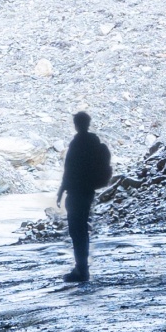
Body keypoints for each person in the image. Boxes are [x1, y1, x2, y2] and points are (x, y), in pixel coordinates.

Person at [56, 110, 109, 285]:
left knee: (76, 230)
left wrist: (61, 190)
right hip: (87, 191)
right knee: (81, 230)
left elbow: (69, 170)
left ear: (78, 124)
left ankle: (82, 270)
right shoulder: (93, 142)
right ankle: (82, 267)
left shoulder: (78, 143)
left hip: (77, 192)